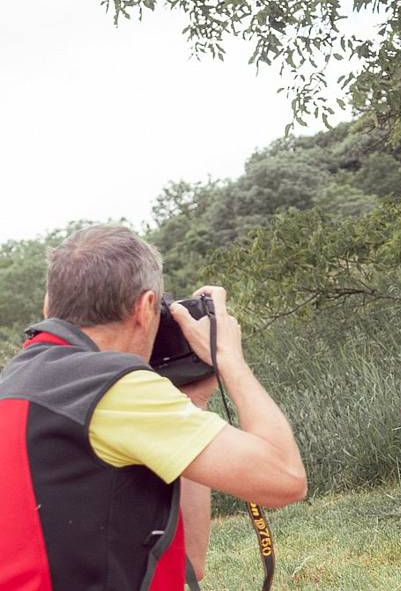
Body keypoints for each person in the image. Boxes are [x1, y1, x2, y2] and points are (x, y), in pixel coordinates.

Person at [0, 225, 307, 590]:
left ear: (49, 307)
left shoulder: (16, 384)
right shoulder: (113, 387)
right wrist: (229, 358)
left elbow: (189, 561)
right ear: (146, 307)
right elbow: (284, 478)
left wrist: (192, 402)